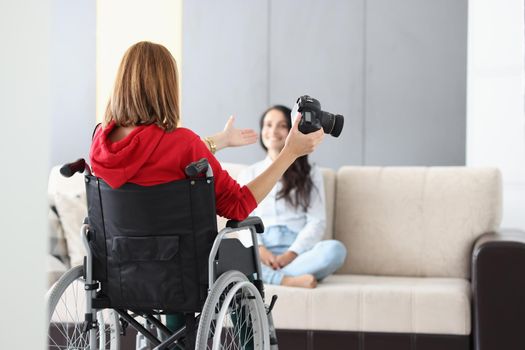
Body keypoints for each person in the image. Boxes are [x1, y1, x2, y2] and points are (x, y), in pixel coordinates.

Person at [89, 41, 325, 330]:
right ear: (166, 86)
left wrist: (220, 141)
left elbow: (154, 154)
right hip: (179, 274)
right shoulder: (182, 142)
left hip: (120, 272)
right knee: (235, 254)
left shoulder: (100, 142)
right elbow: (237, 204)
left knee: (172, 260)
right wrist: (290, 153)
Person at [237, 105, 347, 289]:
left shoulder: (310, 173)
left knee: (336, 250)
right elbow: (241, 217)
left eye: (281, 125)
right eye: (268, 124)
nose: (273, 131)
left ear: (291, 130)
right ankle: (288, 281)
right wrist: (261, 250)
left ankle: (266, 277)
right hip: (260, 248)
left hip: (298, 252)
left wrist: (291, 254)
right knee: (230, 253)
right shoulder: (249, 173)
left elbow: (317, 222)